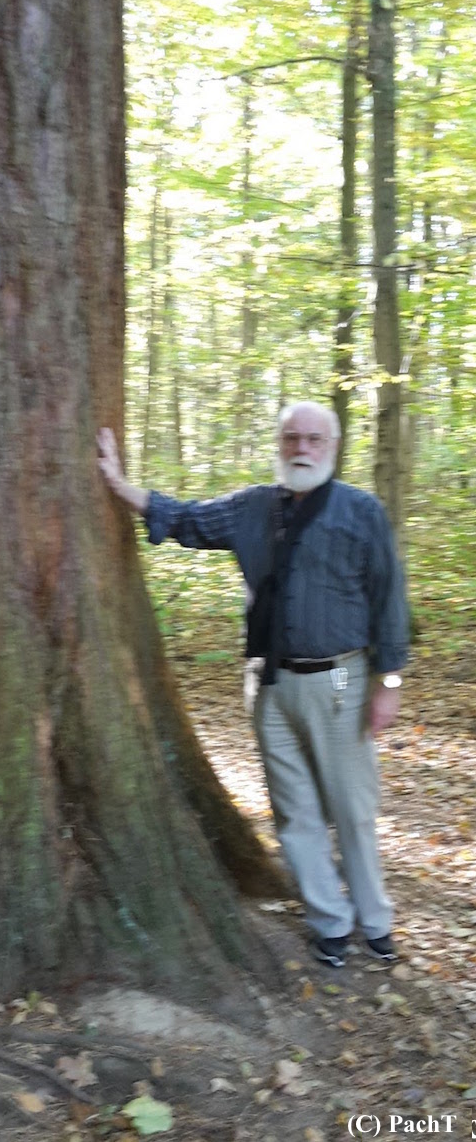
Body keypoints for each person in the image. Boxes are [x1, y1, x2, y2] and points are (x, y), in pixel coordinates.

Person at [97, 401, 408, 968]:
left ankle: (375, 920)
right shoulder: (252, 508)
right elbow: (187, 519)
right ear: (279, 444)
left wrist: (388, 679)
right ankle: (329, 924)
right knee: (294, 812)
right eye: (292, 438)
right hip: (270, 687)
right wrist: (119, 485)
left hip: (342, 683)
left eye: (314, 439)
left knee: (353, 808)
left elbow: (390, 599)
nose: (302, 449)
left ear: (333, 447)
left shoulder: (362, 512)